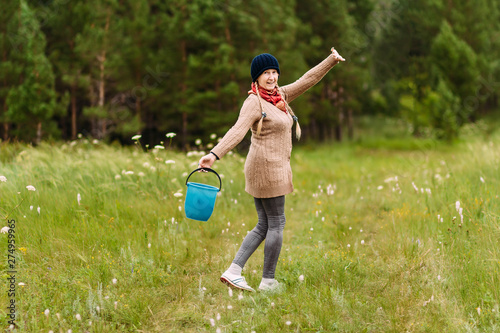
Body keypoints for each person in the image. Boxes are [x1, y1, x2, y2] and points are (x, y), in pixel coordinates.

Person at [198, 48, 345, 292]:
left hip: (268, 167)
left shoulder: (280, 96)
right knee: (276, 222)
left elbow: (307, 80)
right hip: (267, 169)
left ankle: (234, 271)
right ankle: (268, 281)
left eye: (274, 72)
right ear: (256, 78)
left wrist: (330, 61)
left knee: (264, 224)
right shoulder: (254, 102)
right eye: (266, 73)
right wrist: (214, 154)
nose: (271, 77)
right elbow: (237, 130)